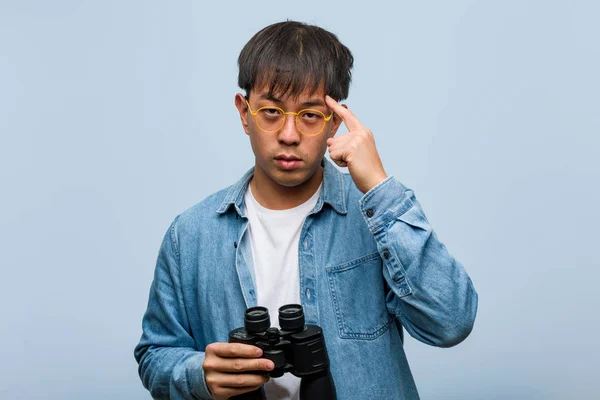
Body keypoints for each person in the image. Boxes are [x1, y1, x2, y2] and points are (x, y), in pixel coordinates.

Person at [134, 20, 478, 400]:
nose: (289, 134)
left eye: (311, 115)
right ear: (244, 112)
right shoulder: (191, 234)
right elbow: (155, 354)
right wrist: (198, 374)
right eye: (271, 112)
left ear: (336, 123)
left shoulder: (376, 215)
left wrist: (379, 186)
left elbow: (451, 323)